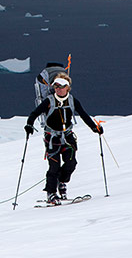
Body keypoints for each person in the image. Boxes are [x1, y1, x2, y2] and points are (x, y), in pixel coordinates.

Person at [25, 72, 103, 205]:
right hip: (52, 138)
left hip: (67, 137)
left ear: (67, 87)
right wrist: (29, 125)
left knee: (71, 163)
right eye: (56, 86)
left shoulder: (72, 101)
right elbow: (34, 113)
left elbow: (84, 115)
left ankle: (61, 182)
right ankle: (51, 193)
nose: (58, 89)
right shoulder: (49, 101)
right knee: (54, 166)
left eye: (61, 86)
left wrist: (95, 128)